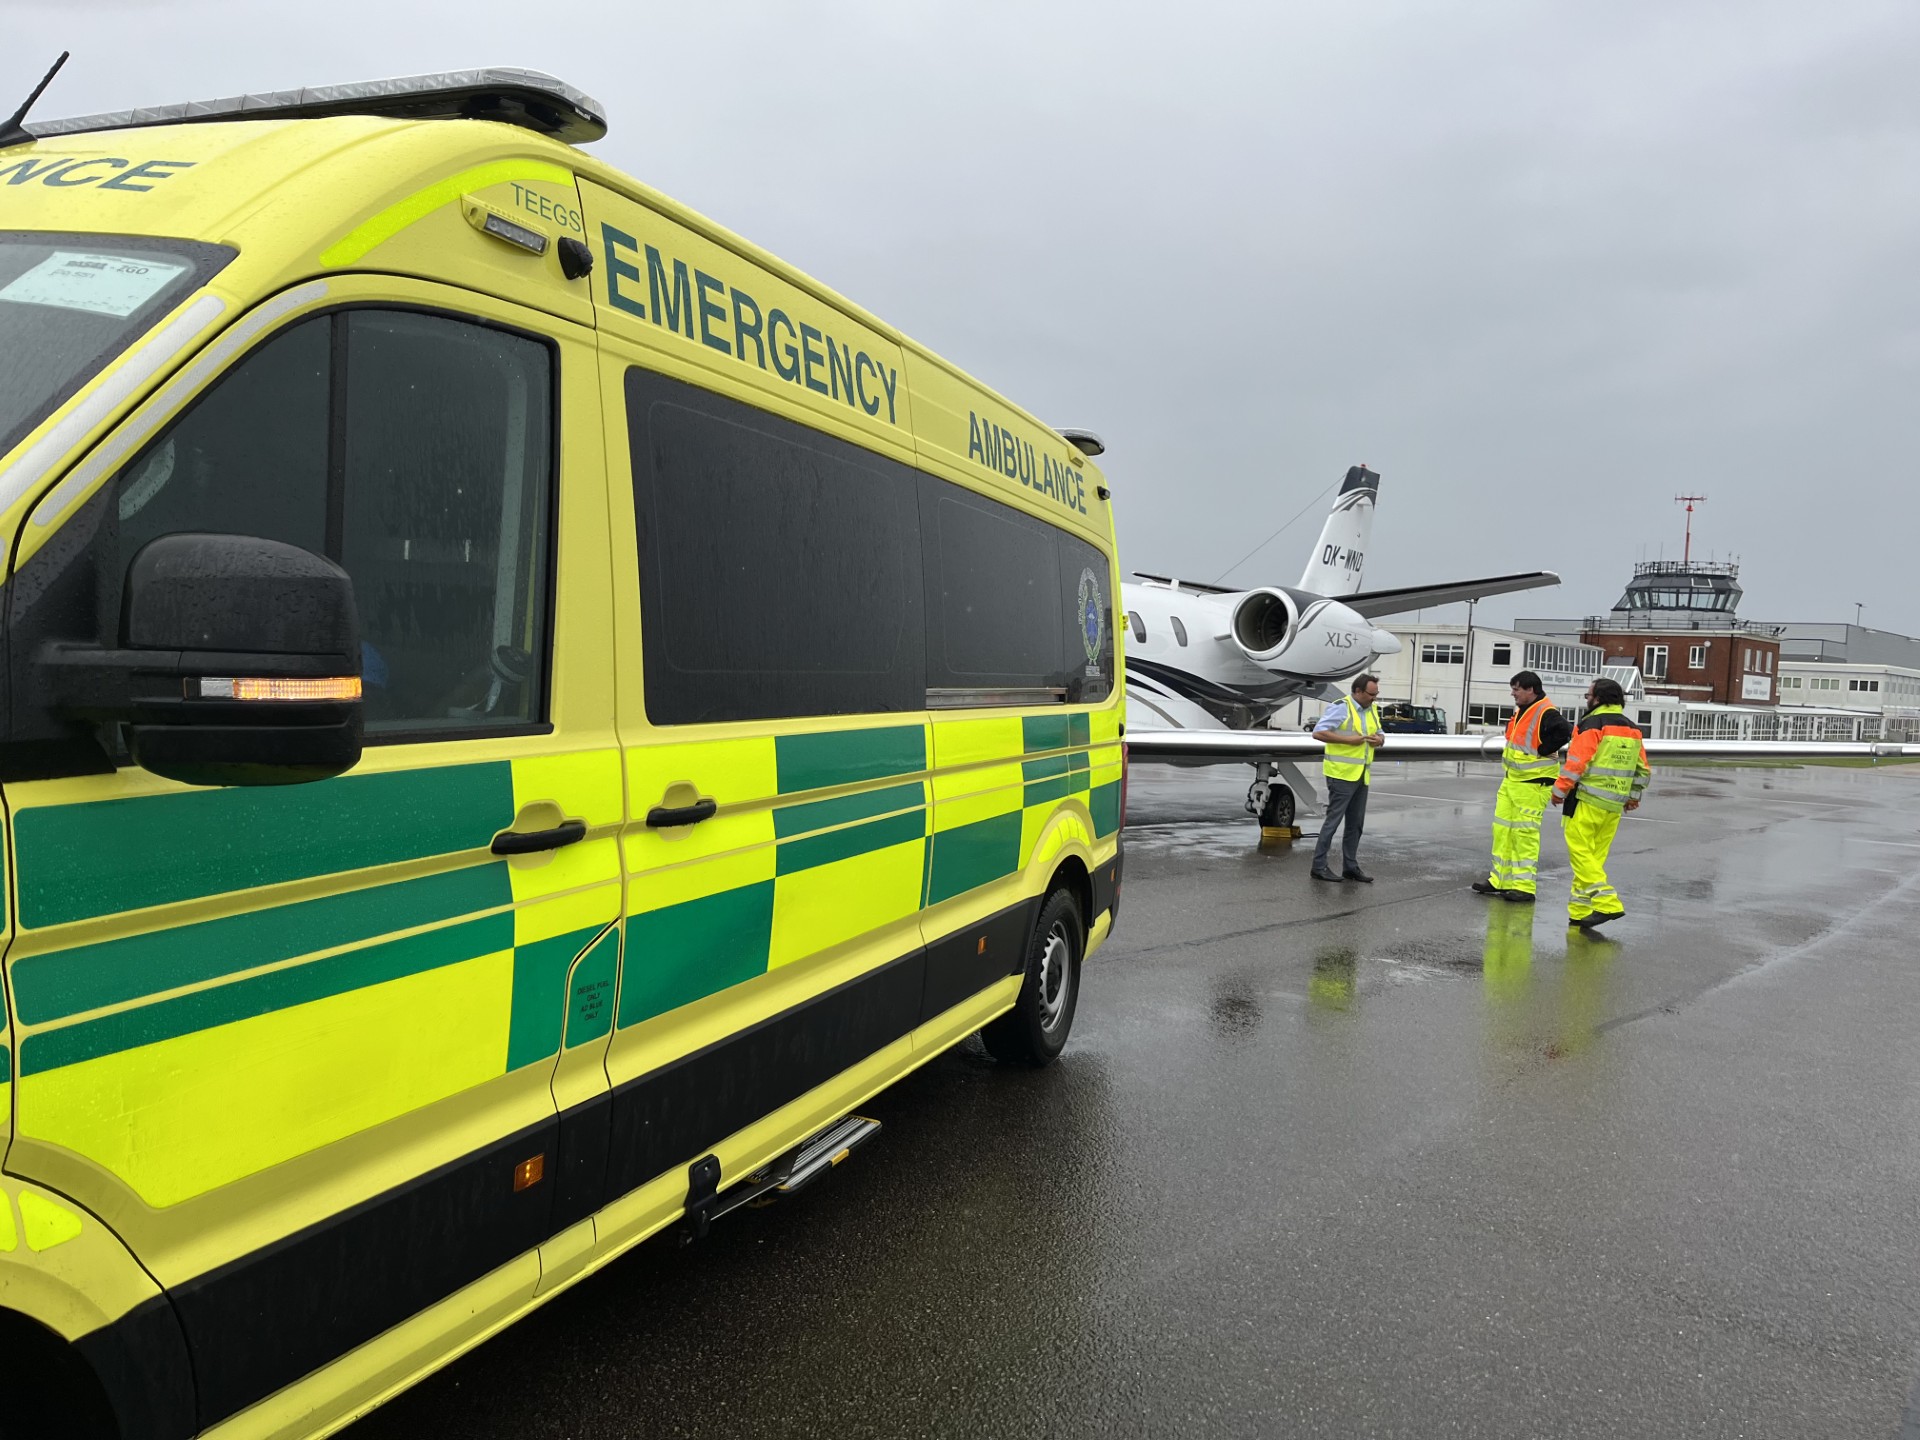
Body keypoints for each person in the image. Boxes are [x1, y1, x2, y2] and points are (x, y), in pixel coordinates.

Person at [1550, 676, 1651, 929]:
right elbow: (1643, 770)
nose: (1587, 699)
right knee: (1592, 859)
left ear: (1599, 698)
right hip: (1614, 806)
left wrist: (1559, 790)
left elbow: (1576, 762)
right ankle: (1580, 910)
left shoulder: (1591, 724)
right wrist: (1633, 798)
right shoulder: (1632, 728)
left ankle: (1608, 903)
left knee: (1581, 854)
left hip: (1587, 801)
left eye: (1588, 695)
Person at [1471, 670, 1572, 904]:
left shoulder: (1546, 711)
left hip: (1533, 783)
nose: (1513, 693)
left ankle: (1524, 887)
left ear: (1531, 690)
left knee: (1524, 835)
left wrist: (1544, 749)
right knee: (1503, 831)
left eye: (1517, 689)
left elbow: (1566, 731)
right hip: (1512, 781)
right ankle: (1500, 880)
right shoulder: (1524, 711)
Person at [1309, 673, 1384, 883]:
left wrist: (1379, 740)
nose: (1374, 698)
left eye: (1376, 694)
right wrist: (1349, 740)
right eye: (1371, 694)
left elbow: (1380, 732)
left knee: (1355, 824)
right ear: (1358, 691)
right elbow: (1319, 732)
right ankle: (1319, 866)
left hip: (1361, 775)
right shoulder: (1341, 707)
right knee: (1333, 822)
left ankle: (1350, 867)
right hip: (1341, 775)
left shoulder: (1372, 709)